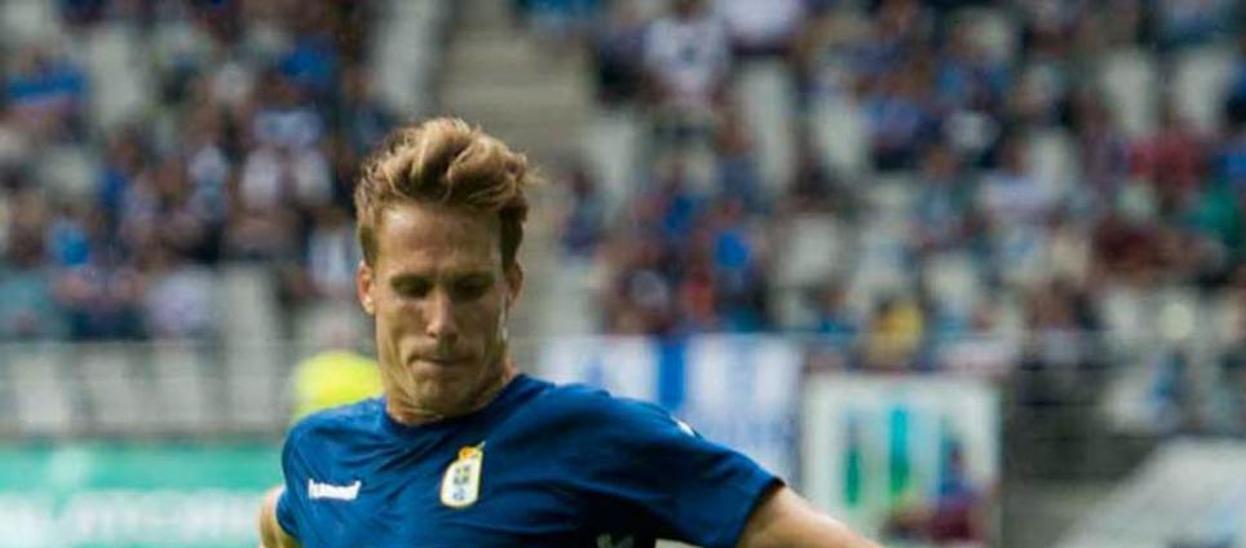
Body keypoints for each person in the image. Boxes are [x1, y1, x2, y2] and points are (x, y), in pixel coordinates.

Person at [257, 117, 879, 547]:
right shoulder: (320, 452)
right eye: (413, 288)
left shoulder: (587, 437)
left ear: (511, 286)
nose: (441, 323)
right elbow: (281, 520)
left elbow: (802, 535)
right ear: (368, 287)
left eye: (469, 289)